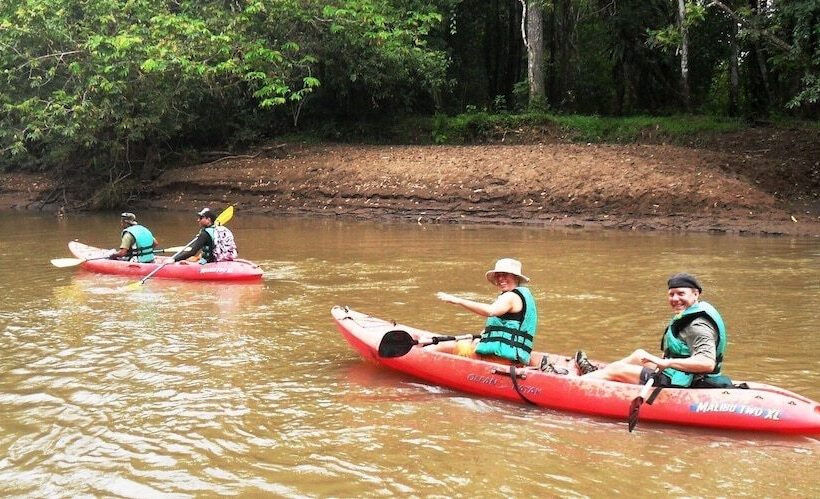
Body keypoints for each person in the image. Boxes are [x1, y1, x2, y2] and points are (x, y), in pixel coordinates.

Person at [575, 272, 728, 388]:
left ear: (696, 294)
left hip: (689, 382)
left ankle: (575, 385)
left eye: (681, 294)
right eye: (671, 294)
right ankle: (596, 375)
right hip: (681, 374)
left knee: (617, 370)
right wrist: (664, 362)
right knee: (639, 355)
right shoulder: (689, 314)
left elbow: (707, 363)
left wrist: (666, 363)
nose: (675, 299)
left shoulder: (697, 326)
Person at [436, 258, 538, 365]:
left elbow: (491, 311)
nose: (500, 279)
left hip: (502, 359)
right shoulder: (519, 295)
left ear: (515, 277)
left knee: (443, 347)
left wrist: (458, 301)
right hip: (513, 356)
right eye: (498, 275)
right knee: (474, 342)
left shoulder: (510, 296)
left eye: (505, 274)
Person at [171, 207, 237, 264]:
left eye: (201, 218)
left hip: (210, 263)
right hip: (224, 259)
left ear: (208, 220)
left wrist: (174, 259)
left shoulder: (205, 234)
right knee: (192, 259)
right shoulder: (223, 229)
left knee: (187, 260)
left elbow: (192, 252)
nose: (198, 220)